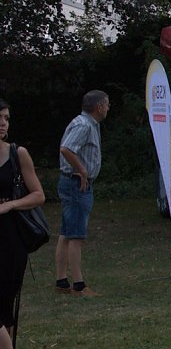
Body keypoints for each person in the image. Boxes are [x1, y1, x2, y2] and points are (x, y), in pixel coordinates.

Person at [0, 99, 46, 349]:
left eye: (6, 118)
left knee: (4, 306)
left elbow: (38, 195)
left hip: (10, 239)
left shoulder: (18, 153)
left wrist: (10, 205)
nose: (3, 123)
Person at [55, 90, 109, 297]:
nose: (108, 108)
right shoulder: (84, 125)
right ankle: (79, 285)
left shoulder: (87, 123)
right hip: (77, 184)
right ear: (99, 107)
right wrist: (82, 170)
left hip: (73, 182)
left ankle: (61, 281)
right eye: (107, 104)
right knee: (76, 235)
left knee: (66, 233)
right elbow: (66, 149)